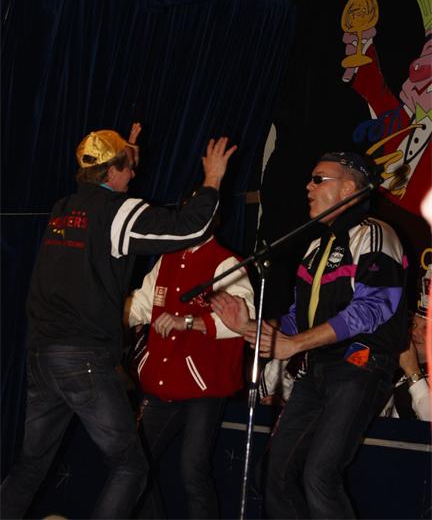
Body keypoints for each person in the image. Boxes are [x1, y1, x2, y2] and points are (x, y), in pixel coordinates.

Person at [0, 125, 236, 520]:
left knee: (31, 465)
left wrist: (126, 152)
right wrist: (212, 179)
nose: (134, 174)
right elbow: (190, 228)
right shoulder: (116, 211)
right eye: (128, 168)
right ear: (112, 172)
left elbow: (96, 239)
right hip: (82, 358)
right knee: (131, 467)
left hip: (42, 355)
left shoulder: (63, 209)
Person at [211, 151, 408, 520]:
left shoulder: (376, 234)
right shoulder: (316, 248)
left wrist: (295, 344)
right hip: (317, 368)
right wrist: (248, 327)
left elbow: (374, 308)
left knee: (320, 473)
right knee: (274, 472)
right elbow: (295, 320)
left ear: (348, 188)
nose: (308, 186)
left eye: (318, 179)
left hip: (359, 364)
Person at [124, 229, 255, 519]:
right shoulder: (167, 258)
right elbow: (142, 305)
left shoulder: (226, 262)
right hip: (162, 382)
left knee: (192, 470)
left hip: (204, 386)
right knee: (135, 466)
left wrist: (187, 321)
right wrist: (105, 317)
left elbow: (241, 322)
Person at [381, 306, 430, 421]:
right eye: (413, 324)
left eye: (426, 328)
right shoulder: (393, 368)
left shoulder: (410, 370)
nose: (414, 332)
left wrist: (412, 371)